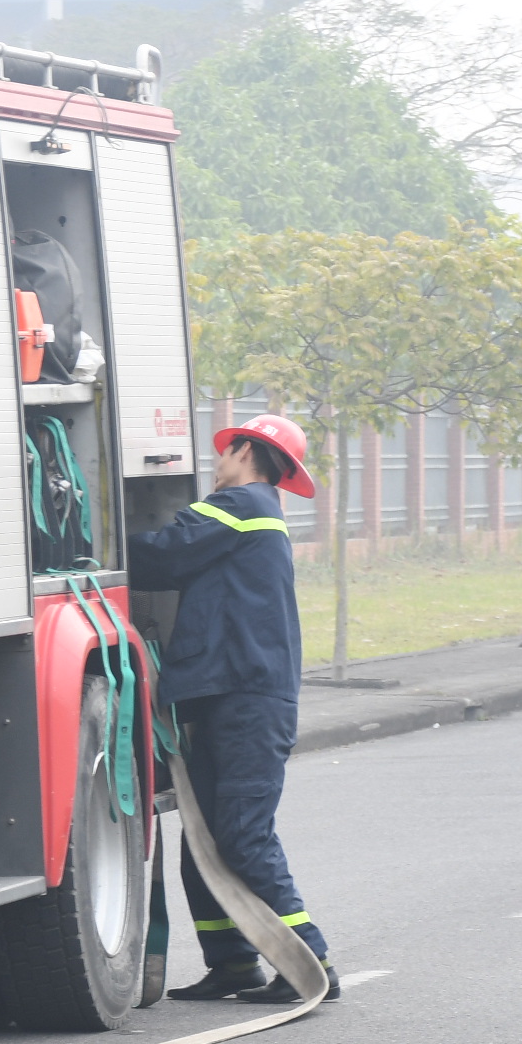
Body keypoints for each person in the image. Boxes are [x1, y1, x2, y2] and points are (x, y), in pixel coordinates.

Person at [129, 413, 338, 1005]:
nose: (216, 463)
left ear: (247, 451)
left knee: (243, 836)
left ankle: (311, 960)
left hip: (249, 700)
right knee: (208, 840)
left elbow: (167, 556)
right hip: (231, 694)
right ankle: (232, 962)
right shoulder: (256, 511)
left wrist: (97, 551)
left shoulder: (244, 502)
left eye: (225, 451)